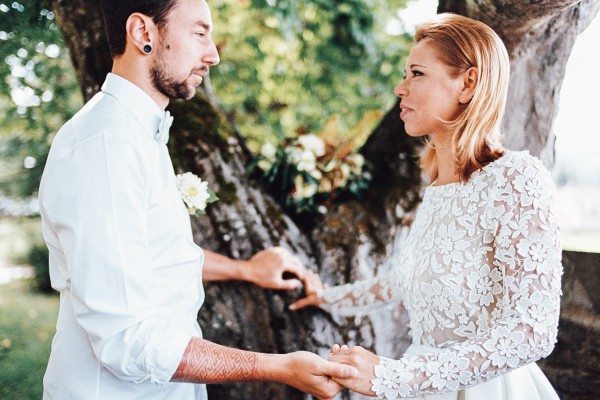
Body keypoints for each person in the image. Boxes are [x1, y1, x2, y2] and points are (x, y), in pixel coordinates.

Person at [38, 0, 356, 399]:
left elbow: (150, 256)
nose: (213, 55)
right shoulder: (108, 146)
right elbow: (127, 341)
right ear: (143, 33)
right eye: (199, 33)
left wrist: (245, 270)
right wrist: (278, 367)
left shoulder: (136, 134)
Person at [290, 13, 562, 400]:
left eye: (417, 73)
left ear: (468, 83)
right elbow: (403, 281)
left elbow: (533, 331)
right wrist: (325, 296)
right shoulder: (436, 189)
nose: (400, 88)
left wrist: (393, 376)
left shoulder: (517, 179)